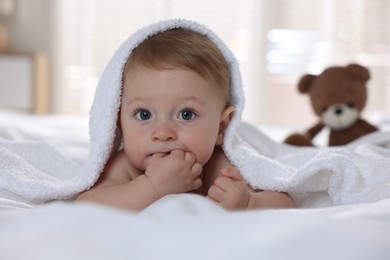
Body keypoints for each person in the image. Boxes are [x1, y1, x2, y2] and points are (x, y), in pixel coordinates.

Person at [76, 26, 295, 211]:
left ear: (221, 128)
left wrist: (249, 202)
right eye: (144, 114)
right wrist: (151, 187)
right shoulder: (125, 166)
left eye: (186, 114)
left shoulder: (218, 166)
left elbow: (286, 203)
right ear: (118, 122)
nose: (162, 133)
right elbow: (86, 205)